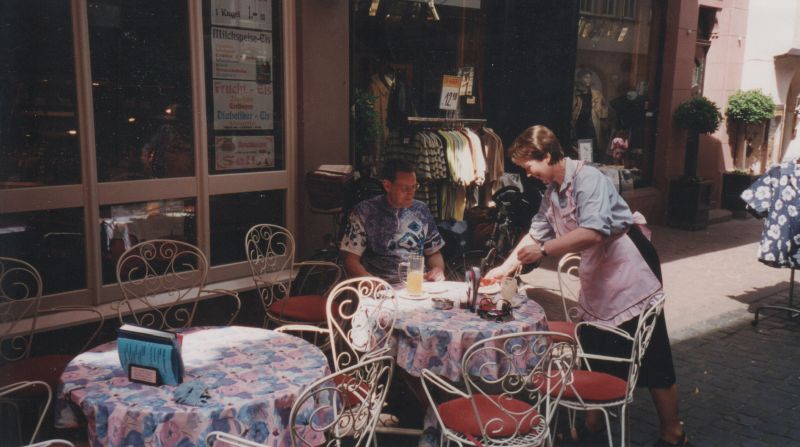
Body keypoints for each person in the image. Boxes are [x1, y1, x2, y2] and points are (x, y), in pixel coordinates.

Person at [485, 125, 689, 447]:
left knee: (650, 348)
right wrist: (505, 266)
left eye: (529, 166)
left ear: (548, 155)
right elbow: (536, 233)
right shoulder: (551, 193)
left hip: (629, 266)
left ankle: (673, 431)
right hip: (601, 270)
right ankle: (592, 424)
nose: (529, 174)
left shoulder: (588, 179)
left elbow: (593, 231)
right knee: (595, 342)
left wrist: (544, 251)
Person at [340, 159, 446, 284]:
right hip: (381, 286)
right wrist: (367, 280)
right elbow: (350, 259)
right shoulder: (365, 211)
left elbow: (434, 253)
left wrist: (438, 269)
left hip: (417, 283)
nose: (411, 193)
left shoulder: (421, 210)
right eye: (405, 188)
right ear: (387, 186)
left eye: (414, 187)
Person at [571, 68, 609, 162]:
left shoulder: (597, 94)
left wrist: (599, 111)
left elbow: (605, 110)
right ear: (580, 79)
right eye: (586, 77)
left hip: (591, 125)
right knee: (577, 148)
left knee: (592, 148)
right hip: (578, 125)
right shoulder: (575, 93)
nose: (589, 80)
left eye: (590, 77)